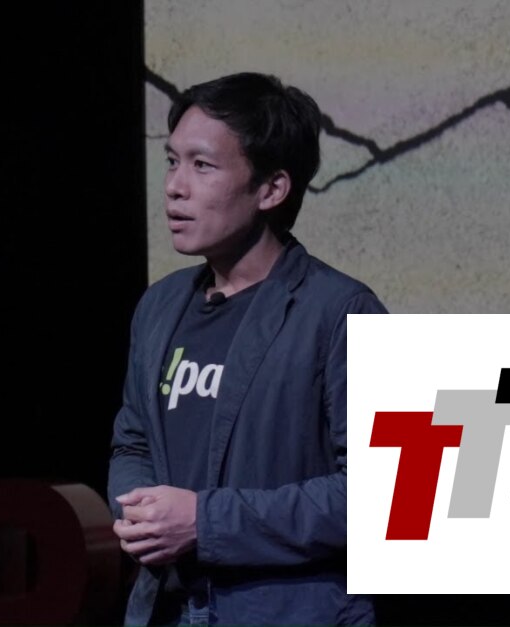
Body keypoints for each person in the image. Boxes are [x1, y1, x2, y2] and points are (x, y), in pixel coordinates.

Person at [107, 72, 386, 625]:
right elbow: (133, 442)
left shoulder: (340, 312)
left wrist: (204, 522)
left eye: (202, 165)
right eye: (172, 161)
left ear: (271, 189)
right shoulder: (160, 306)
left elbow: (381, 496)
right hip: (167, 610)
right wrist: (141, 510)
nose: (175, 186)